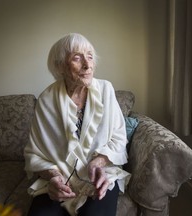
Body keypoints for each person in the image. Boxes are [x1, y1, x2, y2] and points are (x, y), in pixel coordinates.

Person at [24, 33, 130, 216]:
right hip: (61, 179)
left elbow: (119, 138)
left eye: (90, 57)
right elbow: (36, 153)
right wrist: (54, 178)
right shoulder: (46, 100)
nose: (88, 65)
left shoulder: (106, 89)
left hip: (101, 176)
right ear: (60, 66)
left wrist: (99, 162)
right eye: (77, 58)